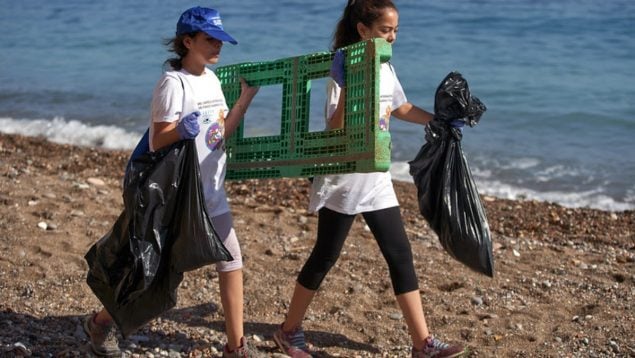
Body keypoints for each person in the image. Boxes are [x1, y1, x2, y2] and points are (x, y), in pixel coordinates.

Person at [272, 1, 466, 357]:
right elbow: (335, 126)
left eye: (395, 31)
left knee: (400, 254)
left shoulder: (386, 65)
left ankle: (422, 344)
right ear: (363, 30)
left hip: (375, 176)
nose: (391, 37)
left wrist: (438, 121)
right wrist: (347, 84)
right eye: (384, 30)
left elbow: (398, 106)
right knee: (325, 256)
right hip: (343, 176)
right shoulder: (343, 66)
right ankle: (288, 330)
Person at [83, 6, 263, 357]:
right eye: (210, 39)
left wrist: (244, 101)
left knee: (232, 260)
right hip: (179, 197)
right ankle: (101, 321)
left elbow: (218, 133)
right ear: (188, 41)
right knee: (154, 269)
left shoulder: (211, 79)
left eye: (220, 40)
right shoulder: (172, 83)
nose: (218, 46)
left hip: (211, 190)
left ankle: (235, 347)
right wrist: (180, 130)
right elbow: (156, 139)